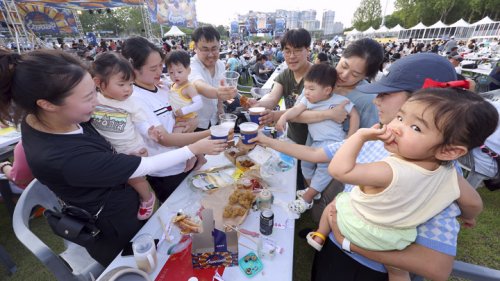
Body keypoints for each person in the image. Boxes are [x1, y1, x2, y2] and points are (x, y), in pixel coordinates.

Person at [251, 53, 480, 281]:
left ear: (424, 103)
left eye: (385, 94)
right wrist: (267, 141)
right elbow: (317, 153)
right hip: (334, 249)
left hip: (367, 270)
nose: (375, 101)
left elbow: (436, 267)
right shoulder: (380, 133)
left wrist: (347, 242)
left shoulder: (437, 172)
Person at [0, 48, 226, 266]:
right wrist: (194, 147)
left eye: (94, 92)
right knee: (149, 266)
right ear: (47, 104)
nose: (97, 103)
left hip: (127, 209)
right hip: (115, 231)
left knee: (180, 247)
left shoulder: (44, 118)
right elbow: (142, 166)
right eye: (89, 97)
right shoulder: (62, 157)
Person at [310, 88, 496, 281]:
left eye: (416, 128)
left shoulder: (392, 170)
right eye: (400, 117)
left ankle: (319, 235)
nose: (396, 127)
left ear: (449, 151)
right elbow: (474, 203)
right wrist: (469, 217)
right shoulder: (450, 175)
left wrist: (359, 137)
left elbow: (339, 170)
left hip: (352, 240)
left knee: (336, 204)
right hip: (395, 244)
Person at [122, 37, 218, 202]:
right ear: (133, 69)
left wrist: (193, 125)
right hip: (167, 172)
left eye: (161, 65)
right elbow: (165, 138)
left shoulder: (165, 86)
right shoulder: (136, 99)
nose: (160, 71)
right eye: (153, 68)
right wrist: (210, 134)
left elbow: (183, 114)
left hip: (188, 159)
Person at [275, 63, 359, 214]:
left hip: (332, 143)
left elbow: (354, 115)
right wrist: (283, 118)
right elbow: (295, 110)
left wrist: (350, 137)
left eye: (311, 89)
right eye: (305, 87)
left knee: (323, 171)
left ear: (327, 90)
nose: (306, 92)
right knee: (305, 165)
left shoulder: (340, 100)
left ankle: (307, 198)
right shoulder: (307, 100)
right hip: (314, 141)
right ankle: (313, 190)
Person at [90, 52, 160, 220]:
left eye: (130, 84)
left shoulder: (131, 103)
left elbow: (141, 123)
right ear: (98, 83)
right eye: (121, 84)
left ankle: (147, 198)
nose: (128, 89)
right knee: (123, 178)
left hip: (132, 148)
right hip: (111, 150)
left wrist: (149, 132)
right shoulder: (94, 99)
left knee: (133, 177)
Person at [188, 26, 237, 131]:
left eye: (214, 49)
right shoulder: (190, 66)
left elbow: (221, 86)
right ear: (195, 47)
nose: (210, 54)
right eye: (205, 49)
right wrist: (219, 93)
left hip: (214, 120)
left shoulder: (220, 65)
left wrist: (220, 109)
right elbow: (198, 85)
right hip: (196, 124)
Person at [165, 50, 203, 133]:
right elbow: (173, 92)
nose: (175, 75)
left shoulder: (188, 87)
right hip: (178, 118)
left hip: (187, 118)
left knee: (176, 136)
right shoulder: (174, 84)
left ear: (188, 71)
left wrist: (185, 110)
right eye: (171, 72)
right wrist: (164, 84)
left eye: (179, 72)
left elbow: (199, 103)